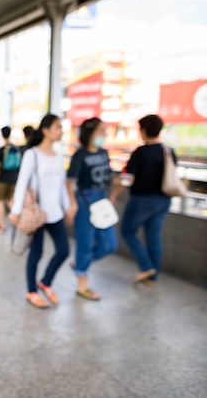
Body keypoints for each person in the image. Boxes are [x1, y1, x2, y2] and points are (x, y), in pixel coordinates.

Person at [9, 114, 72, 309]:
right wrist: (16, 211)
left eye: (61, 127)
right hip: (36, 213)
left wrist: (68, 207)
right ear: (45, 130)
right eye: (57, 127)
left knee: (64, 250)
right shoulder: (32, 154)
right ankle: (31, 291)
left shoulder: (59, 155)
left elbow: (61, 186)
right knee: (36, 253)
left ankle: (45, 282)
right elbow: (22, 183)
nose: (60, 131)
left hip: (55, 213)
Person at [111, 114, 173, 286]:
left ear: (144, 130)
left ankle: (146, 267)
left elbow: (127, 178)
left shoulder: (140, 152)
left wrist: (114, 192)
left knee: (127, 231)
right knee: (153, 236)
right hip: (163, 201)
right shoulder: (168, 150)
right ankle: (152, 276)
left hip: (142, 200)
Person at [66, 118, 118, 300]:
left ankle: (81, 264)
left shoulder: (104, 152)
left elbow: (108, 177)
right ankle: (82, 284)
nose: (104, 134)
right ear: (90, 133)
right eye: (101, 131)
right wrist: (72, 205)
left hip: (102, 200)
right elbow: (70, 181)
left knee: (110, 244)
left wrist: (115, 191)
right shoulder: (79, 156)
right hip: (84, 201)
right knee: (85, 243)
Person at [0, 126, 20, 233]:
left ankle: (2, 225)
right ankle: (20, 221)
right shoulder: (16, 148)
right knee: (10, 200)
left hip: (2, 178)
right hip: (14, 178)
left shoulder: (1, 150)